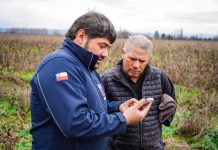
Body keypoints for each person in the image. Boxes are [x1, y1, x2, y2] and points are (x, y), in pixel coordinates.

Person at [30, 12, 152, 150]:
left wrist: (118, 107)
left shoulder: (89, 70)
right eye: (102, 45)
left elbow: (95, 107)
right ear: (81, 36)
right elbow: (75, 123)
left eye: (108, 48)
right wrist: (123, 119)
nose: (105, 54)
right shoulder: (59, 64)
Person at [102, 35, 177, 150]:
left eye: (142, 61)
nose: (136, 65)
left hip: (154, 146)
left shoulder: (159, 76)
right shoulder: (108, 78)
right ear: (123, 53)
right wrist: (118, 109)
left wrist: (167, 116)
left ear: (148, 58)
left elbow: (172, 101)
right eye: (132, 59)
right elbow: (98, 109)